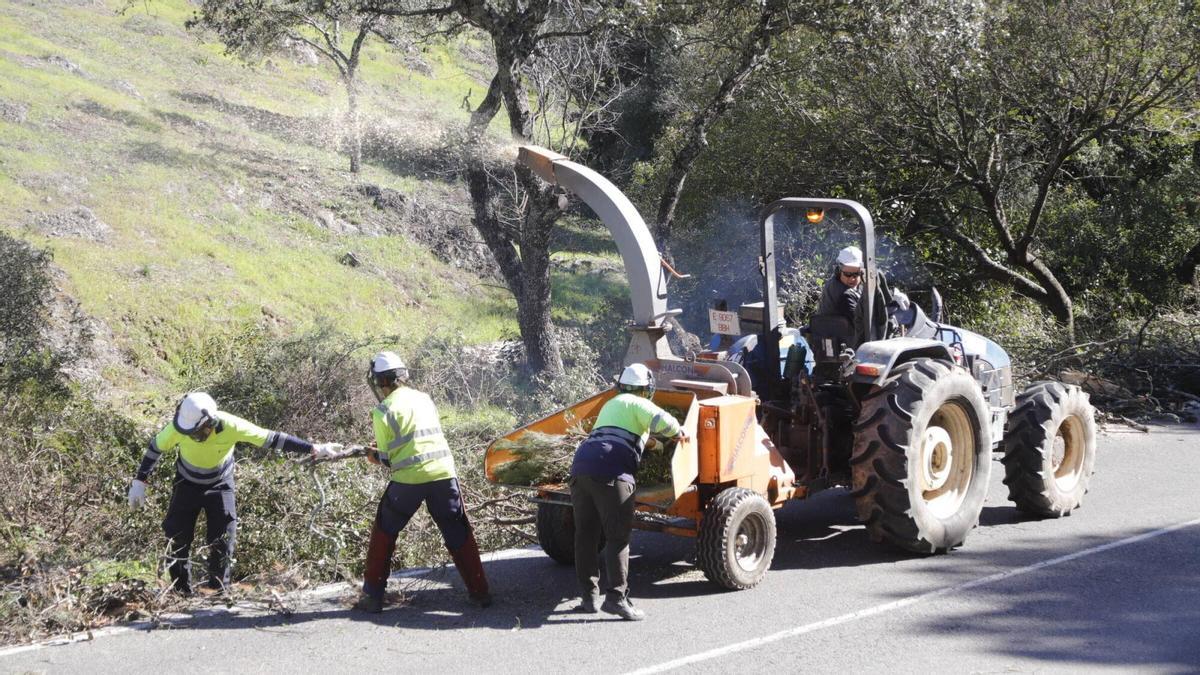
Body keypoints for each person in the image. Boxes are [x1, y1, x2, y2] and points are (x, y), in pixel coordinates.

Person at [128, 392, 341, 595]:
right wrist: (140, 480)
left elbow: (272, 438)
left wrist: (313, 448)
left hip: (220, 484)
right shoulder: (179, 427)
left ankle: (220, 593)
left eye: (196, 431)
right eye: (188, 432)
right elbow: (155, 448)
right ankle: (180, 592)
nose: (192, 436)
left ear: (210, 423)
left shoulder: (231, 425)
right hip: (186, 483)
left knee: (223, 540)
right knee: (177, 538)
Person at [353, 350, 491, 613]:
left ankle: (371, 597)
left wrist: (374, 456)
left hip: (408, 481)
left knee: (385, 529)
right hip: (443, 474)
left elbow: (387, 458)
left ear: (381, 382)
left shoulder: (383, 411)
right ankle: (480, 592)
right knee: (457, 530)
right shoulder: (425, 399)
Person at [569, 363, 688, 621]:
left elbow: (619, 436)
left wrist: (654, 444)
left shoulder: (611, 405)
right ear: (645, 390)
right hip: (611, 473)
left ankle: (588, 597)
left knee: (586, 536)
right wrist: (679, 433)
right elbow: (664, 422)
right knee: (617, 538)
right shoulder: (638, 403)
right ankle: (616, 599)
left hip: (581, 469)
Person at [815, 245, 864, 337]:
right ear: (838, 270)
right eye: (847, 274)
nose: (852, 279)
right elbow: (862, 323)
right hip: (842, 342)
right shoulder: (844, 294)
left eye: (856, 274)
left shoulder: (846, 284)